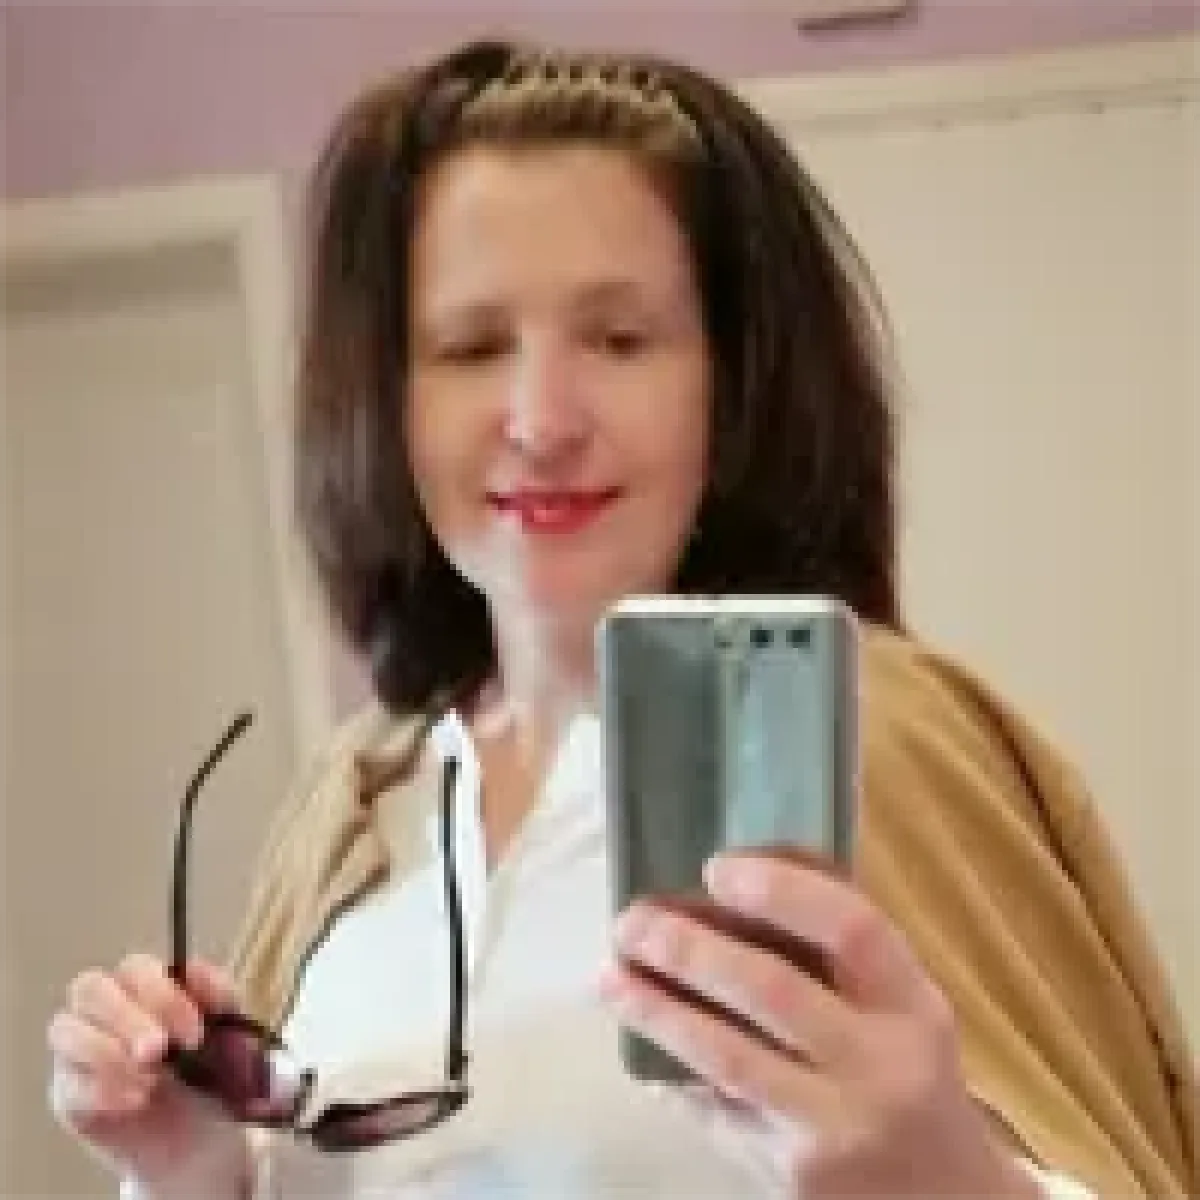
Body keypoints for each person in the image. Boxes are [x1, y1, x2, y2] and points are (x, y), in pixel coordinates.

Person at [47, 37, 1197, 1200]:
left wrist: (958, 1183)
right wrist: (192, 1174)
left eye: (620, 339)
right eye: (471, 347)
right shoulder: (352, 808)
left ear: (732, 384)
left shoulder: (881, 747)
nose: (543, 420)